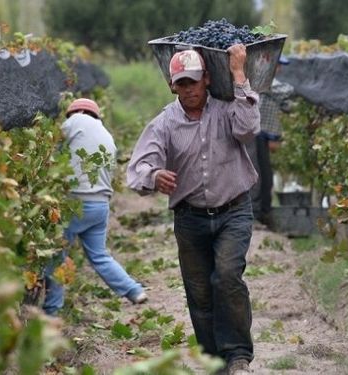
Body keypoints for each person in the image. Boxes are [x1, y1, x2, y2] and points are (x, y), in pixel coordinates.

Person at [126, 45, 259, 375]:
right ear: (173, 86)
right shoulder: (164, 124)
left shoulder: (227, 109)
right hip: (190, 218)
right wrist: (154, 175)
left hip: (234, 211)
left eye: (194, 82)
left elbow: (248, 128)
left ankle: (238, 355)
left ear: (207, 80)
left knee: (227, 276)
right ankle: (215, 362)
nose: (189, 90)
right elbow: (138, 167)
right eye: (182, 84)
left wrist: (239, 75)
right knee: (199, 294)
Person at [42, 98, 147, 316]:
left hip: (76, 204)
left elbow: (51, 147)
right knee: (100, 255)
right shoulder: (106, 135)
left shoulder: (75, 121)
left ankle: (51, 311)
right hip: (100, 206)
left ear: (76, 112)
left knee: (56, 257)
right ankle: (134, 290)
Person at [247, 55, 294, 227]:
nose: (279, 69)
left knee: (266, 177)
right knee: (258, 176)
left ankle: (263, 213)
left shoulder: (268, 84)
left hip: (264, 134)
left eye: (280, 66)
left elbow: (286, 105)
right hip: (255, 133)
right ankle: (255, 215)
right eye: (278, 65)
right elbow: (285, 91)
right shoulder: (262, 82)